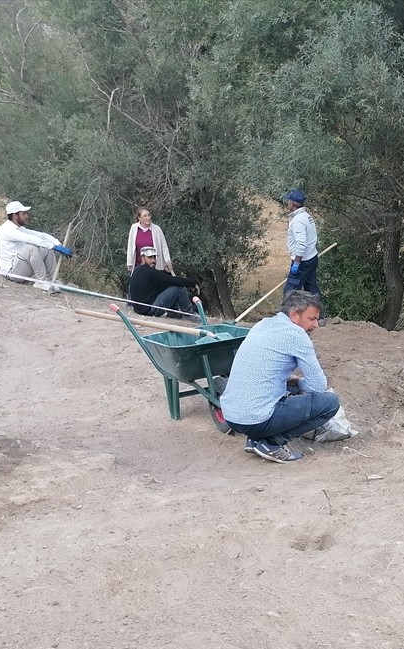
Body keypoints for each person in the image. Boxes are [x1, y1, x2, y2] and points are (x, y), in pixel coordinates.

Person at [219, 290, 340, 463]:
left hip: (232, 416)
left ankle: (255, 439)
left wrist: (294, 383)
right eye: (312, 319)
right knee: (329, 402)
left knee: (291, 387)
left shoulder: (262, 324)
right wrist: (300, 383)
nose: (316, 325)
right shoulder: (296, 334)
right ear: (294, 315)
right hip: (255, 419)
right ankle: (271, 443)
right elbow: (318, 386)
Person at [0, 200, 72, 292]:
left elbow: (42, 236)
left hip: (21, 268)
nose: (26, 216)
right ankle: (41, 281)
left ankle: (51, 280)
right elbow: (31, 239)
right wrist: (53, 247)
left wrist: (57, 244)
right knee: (32, 248)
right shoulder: (7, 229)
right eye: (23, 214)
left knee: (46, 247)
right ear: (15, 216)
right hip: (11, 273)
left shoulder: (20, 229)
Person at [128, 247, 198, 318]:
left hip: (140, 309)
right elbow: (172, 280)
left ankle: (174, 313)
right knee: (178, 289)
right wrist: (193, 284)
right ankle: (189, 315)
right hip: (149, 309)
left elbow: (161, 279)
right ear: (143, 258)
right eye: (150, 257)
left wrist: (165, 272)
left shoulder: (137, 270)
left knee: (168, 287)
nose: (153, 260)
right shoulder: (149, 272)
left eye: (154, 257)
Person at [282, 189, 321, 297]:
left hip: (303, 262)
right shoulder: (306, 216)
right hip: (311, 258)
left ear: (293, 203)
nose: (287, 203)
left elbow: (301, 243)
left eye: (289, 201)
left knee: (290, 293)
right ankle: (318, 308)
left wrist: (296, 263)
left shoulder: (298, 220)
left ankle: (290, 309)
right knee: (311, 290)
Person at [125, 207, 174, 274]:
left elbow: (164, 247)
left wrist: (167, 261)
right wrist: (129, 262)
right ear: (139, 218)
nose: (148, 218)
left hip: (154, 266)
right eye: (145, 216)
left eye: (149, 215)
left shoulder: (157, 229)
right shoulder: (134, 228)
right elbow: (130, 246)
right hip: (139, 266)